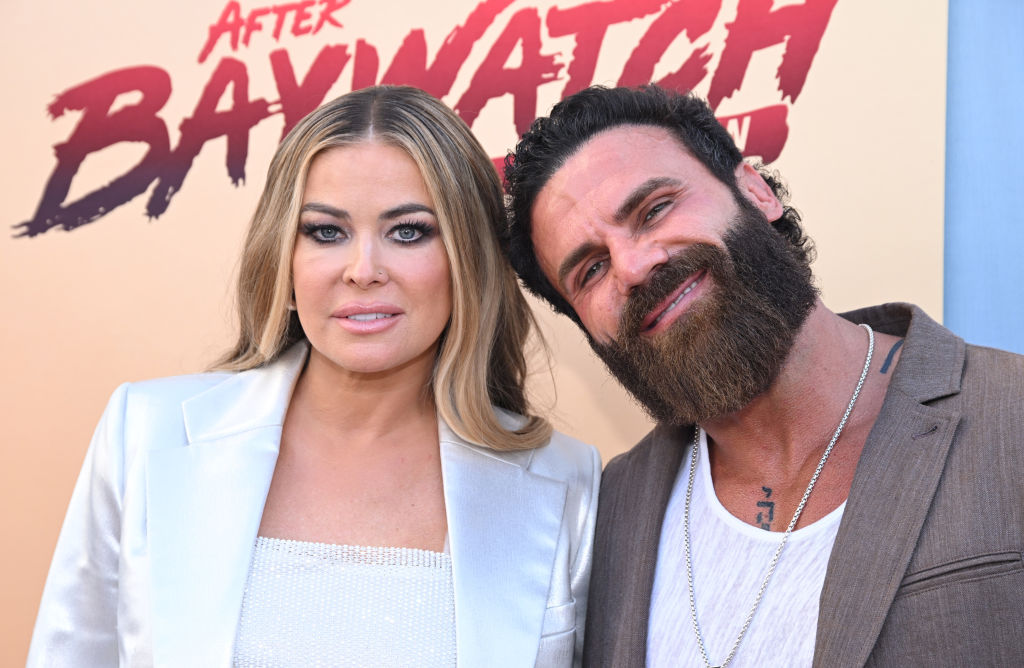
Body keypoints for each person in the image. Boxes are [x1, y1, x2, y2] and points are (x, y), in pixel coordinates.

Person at [28, 85, 600, 667]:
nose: (363, 271)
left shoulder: (567, 481)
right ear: (283, 256)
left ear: (468, 258)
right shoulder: (147, 434)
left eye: (408, 231)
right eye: (327, 231)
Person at [502, 84, 1024, 667]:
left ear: (755, 190)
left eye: (655, 209)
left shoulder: (1010, 417)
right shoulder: (610, 512)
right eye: (591, 269)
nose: (632, 265)